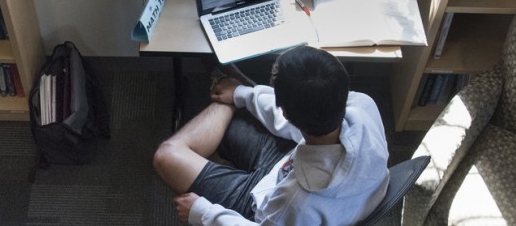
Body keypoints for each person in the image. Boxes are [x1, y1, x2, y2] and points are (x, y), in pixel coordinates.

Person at [152, 46, 390, 225]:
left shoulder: (295, 201)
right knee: (230, 121)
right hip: (290, 161)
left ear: (285, 111)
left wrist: (204, 213)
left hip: (264, 202)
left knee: (166, 156)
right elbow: (296, 126)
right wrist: (242, 94)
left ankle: (226, 84)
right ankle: (233, 89)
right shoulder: (364, 106)